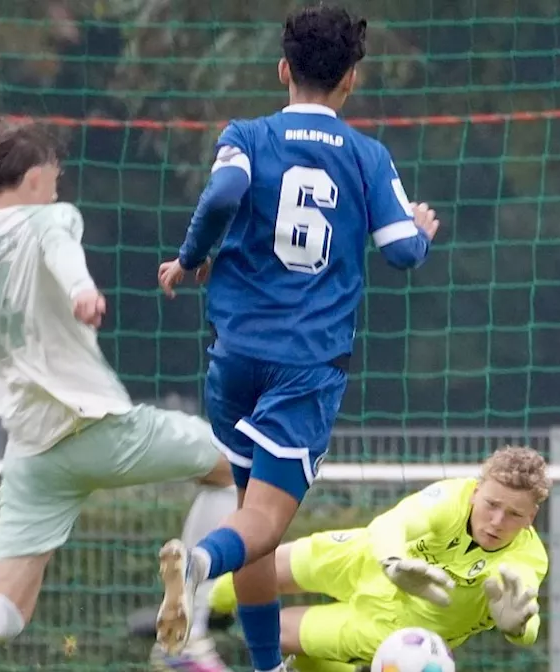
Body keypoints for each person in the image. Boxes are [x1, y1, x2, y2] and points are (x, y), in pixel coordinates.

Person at [0, 124, 237, 672]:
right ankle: (188, 635)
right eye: (52, 178)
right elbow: (60, 251)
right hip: (98, 428)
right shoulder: (53, 216)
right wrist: (82, 292)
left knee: (9, 604)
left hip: (31, 452)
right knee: (234, 469)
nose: (56, 188)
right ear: (31, 178)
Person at [153, 5, 439, 672]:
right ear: (353, 80)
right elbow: (400, 251)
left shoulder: (247, 135)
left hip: (234, 357)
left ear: (284, 69)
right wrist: (421, 230)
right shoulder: (367, 156)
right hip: (305, 365)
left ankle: (265, 665)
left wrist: (192, 256)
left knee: (252, 510)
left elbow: (223, 193)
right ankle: (197, 565)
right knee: (262, 526)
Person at [173, 446, 550, 672]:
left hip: (388, 627)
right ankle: (206, 618)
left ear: (531, 517)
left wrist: (518, 628)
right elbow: (394, 523)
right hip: (361, 557)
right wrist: (392, 562)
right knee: (264, 566)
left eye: (514, 515)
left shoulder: (528, 558)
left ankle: (211, 625)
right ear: (475, 491)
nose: (498, 521)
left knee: (273, 631)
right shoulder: (451, 497)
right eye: (492, 505)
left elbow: (525, 615)